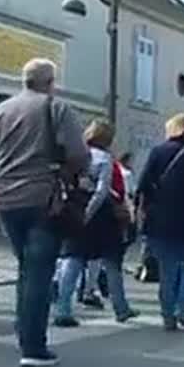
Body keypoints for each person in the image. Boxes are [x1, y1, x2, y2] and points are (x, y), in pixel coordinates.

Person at [0, 58, 87, 367]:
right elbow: (79, 154)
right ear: (51, 81)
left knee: (26, 266)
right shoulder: (56, 108)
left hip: (7, 200)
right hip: (43, 197)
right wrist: (66, 173)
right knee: (39, 270)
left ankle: (24, 328)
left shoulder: (0, 112)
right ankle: (33, 346)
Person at [53, 120, 138, 326]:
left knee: (72, 259)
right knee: (111, 262)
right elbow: (102, 191)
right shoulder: (105, 159)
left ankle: (63, 308)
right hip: (101, 217)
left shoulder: (76, 155)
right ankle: (120, 307)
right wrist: (90, 212)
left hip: (75, 208)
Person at [135, 113, 184, 331]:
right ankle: (182, 309)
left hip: (160, 219)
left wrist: (144, 208)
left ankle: (168, 314)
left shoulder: (158, 152)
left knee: (167, 270)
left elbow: (144, 184)